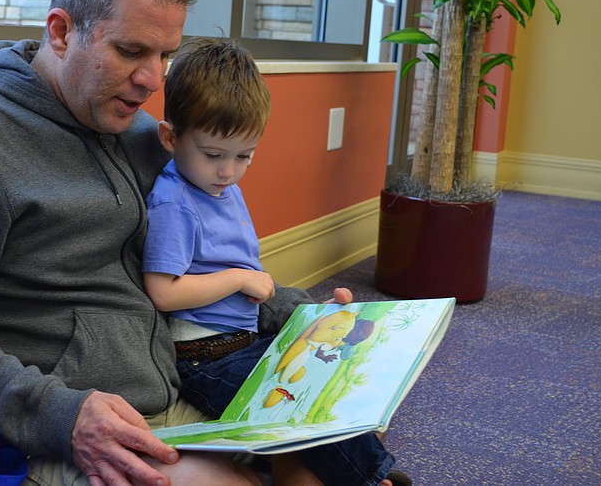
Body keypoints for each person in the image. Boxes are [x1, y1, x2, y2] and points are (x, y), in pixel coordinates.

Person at [0, 0, 408, 486]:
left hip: (177, 380)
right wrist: (60, 415)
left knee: (343, 424)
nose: (153, 80)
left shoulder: (143, 136)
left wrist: (306, 317)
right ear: (61, 32)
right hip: (66, 420)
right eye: (131, 51)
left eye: (165, 55)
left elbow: (204, 263)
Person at [142, 38, 407, 486]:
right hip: (204, 359)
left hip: (241, 340)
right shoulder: (175, 204)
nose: (228, 171)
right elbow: (163, 292)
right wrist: (239, 279)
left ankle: (361, 470)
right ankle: (369, 477)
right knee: (297, 403)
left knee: (328, 372)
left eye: (244, 156)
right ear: (171, 137)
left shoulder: (218, 187)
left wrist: (308, 317)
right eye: (213, 155)